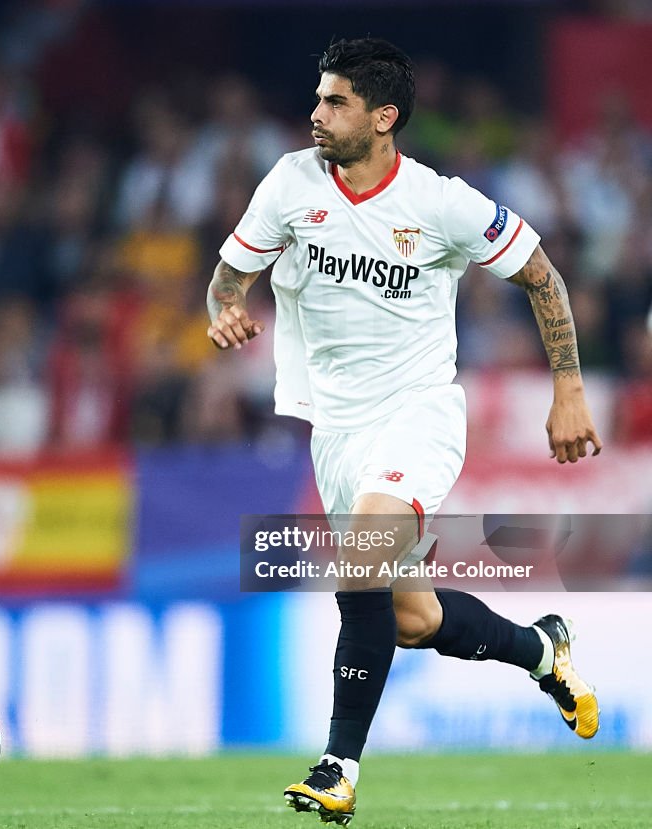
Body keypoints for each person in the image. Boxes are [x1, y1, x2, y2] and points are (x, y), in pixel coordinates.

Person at [206, 38, 602, 825]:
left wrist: (568, 388)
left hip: (418, 413)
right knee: (411, 618)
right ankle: (542, 649)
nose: (316, 114)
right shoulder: (290, 182)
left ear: (383, 117)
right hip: (337, 430)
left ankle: (337, 766)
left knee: (364, 554)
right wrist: (224, 306)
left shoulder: (441, 202)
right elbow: (231, 272)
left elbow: (541, 273)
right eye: (318, 99)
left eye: (335, 102)